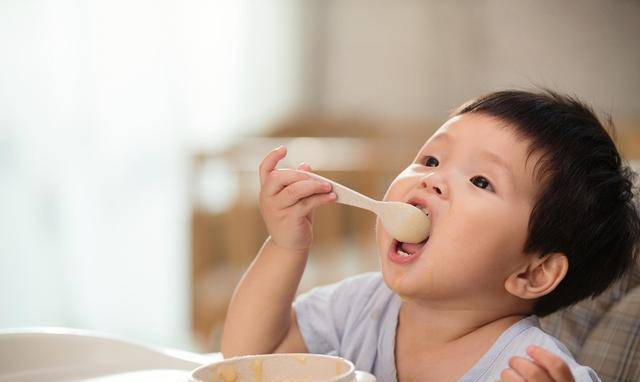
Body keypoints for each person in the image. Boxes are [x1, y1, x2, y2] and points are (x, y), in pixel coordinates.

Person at [220, 89, 640, 382]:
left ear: (533, 272)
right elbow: (251, 358)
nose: (434, 180)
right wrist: (285, 245)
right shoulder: (362, 306)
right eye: (431, 158)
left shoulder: (529, 369)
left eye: (480, 181)